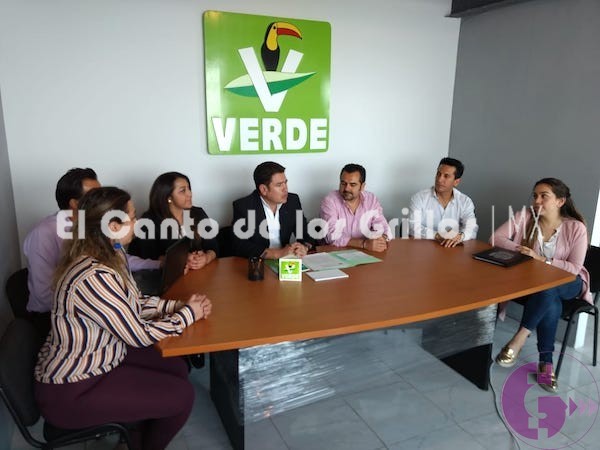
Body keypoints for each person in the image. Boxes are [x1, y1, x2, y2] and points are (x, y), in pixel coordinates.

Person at [34, 187, 212, 450]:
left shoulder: (112, 254)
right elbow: (138, 335)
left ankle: (133, 435)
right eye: (132, 217)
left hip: (106, 356)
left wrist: (177, 306)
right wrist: (188, 315)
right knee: (183, 396)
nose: (137, 223)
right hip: (73, 388)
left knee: (176, 366)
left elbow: (133, 303)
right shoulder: (92, 275)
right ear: (112, 226)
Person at [23, 168, 160, 337]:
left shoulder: (93, 229)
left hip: (91, 308)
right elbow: (43, 295)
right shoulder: (43, 233)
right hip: (51, 319)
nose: (101, 198)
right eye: (94, 194)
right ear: (74, 203)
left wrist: (158, 264)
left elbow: (118, 257)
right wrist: (99, 300)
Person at [492, 178, 591, 392]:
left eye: (544, 196)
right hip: (538, 285)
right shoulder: (525, 216)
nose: (537, 201)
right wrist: (522, 250)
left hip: (569, 282)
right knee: (550, 299)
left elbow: (575, 268)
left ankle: (519, 338)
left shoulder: (576, 228)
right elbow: (495, 238)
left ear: (560, 201)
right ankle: (546, 364)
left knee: (549, 288)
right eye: (535, 195)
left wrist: (541, 260)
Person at [129, 171, 219, 270]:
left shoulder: (198, 213)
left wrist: (206, 258)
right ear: (168, 197)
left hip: (201, 273)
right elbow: (149, 258)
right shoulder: (148, 221)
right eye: (182, 191)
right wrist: (181, 260)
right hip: (170, 276)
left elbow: (213, 247)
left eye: (189, 188)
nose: (189, 194)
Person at [232, 161, 315, 259]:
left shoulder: (292, 201)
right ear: (264, 189)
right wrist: (276, 254)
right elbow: (240, 245)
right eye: (279, 185)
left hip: (286, 260)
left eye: (285, 183)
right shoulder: (244, 206)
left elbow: (305, 233)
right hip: (258, 262)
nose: (285, 189)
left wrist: (304, 247)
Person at [320, 163, 392, 252]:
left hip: (366, 252)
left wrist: (382, 238)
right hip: (336, 252)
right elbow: (331, 236)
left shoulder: (371, 200)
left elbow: (382, 226)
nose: (346, 188)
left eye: (352, 184)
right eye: (343, 183)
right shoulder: (330, 201)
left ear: (362, 186)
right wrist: (364, 244)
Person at [409, 157, 478, 247]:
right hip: (422, 248)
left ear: (456, 182)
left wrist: (460, 236)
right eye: (438, 174)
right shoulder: (419, 198)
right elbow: (413, 227)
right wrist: (437, 235)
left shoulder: (465, 202)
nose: (439, 179)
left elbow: (472, 228)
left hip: (451, 249)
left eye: (446, 176)